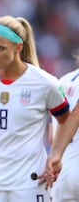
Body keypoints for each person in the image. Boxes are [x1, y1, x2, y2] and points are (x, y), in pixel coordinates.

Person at [0, 15, 69, 202]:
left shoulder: (45, 83)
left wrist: (56, 153)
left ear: (18, 47)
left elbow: (64, 119)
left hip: (31, 181)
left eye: (0, 48)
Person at [48, 51, 79, 201]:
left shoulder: (63, 80)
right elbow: (76, 114)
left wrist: (56, 154)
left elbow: (51, 133)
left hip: (62, 169)